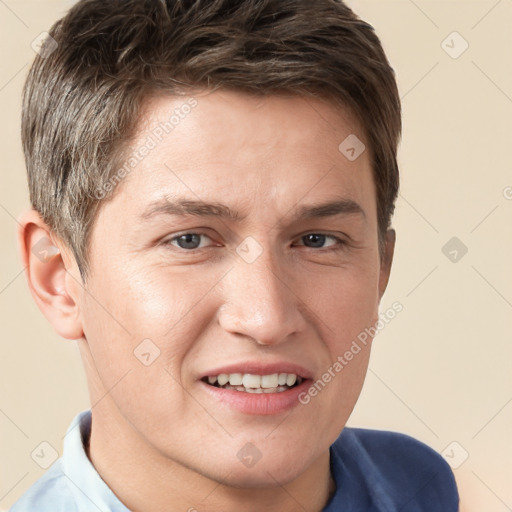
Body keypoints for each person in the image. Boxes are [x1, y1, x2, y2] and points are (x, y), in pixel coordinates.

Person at [11, 0, 459, 510]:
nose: (266, 319)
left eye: (317, 240)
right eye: (190, 240)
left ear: (381, 269)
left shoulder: (424, 490)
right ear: (58, 278)